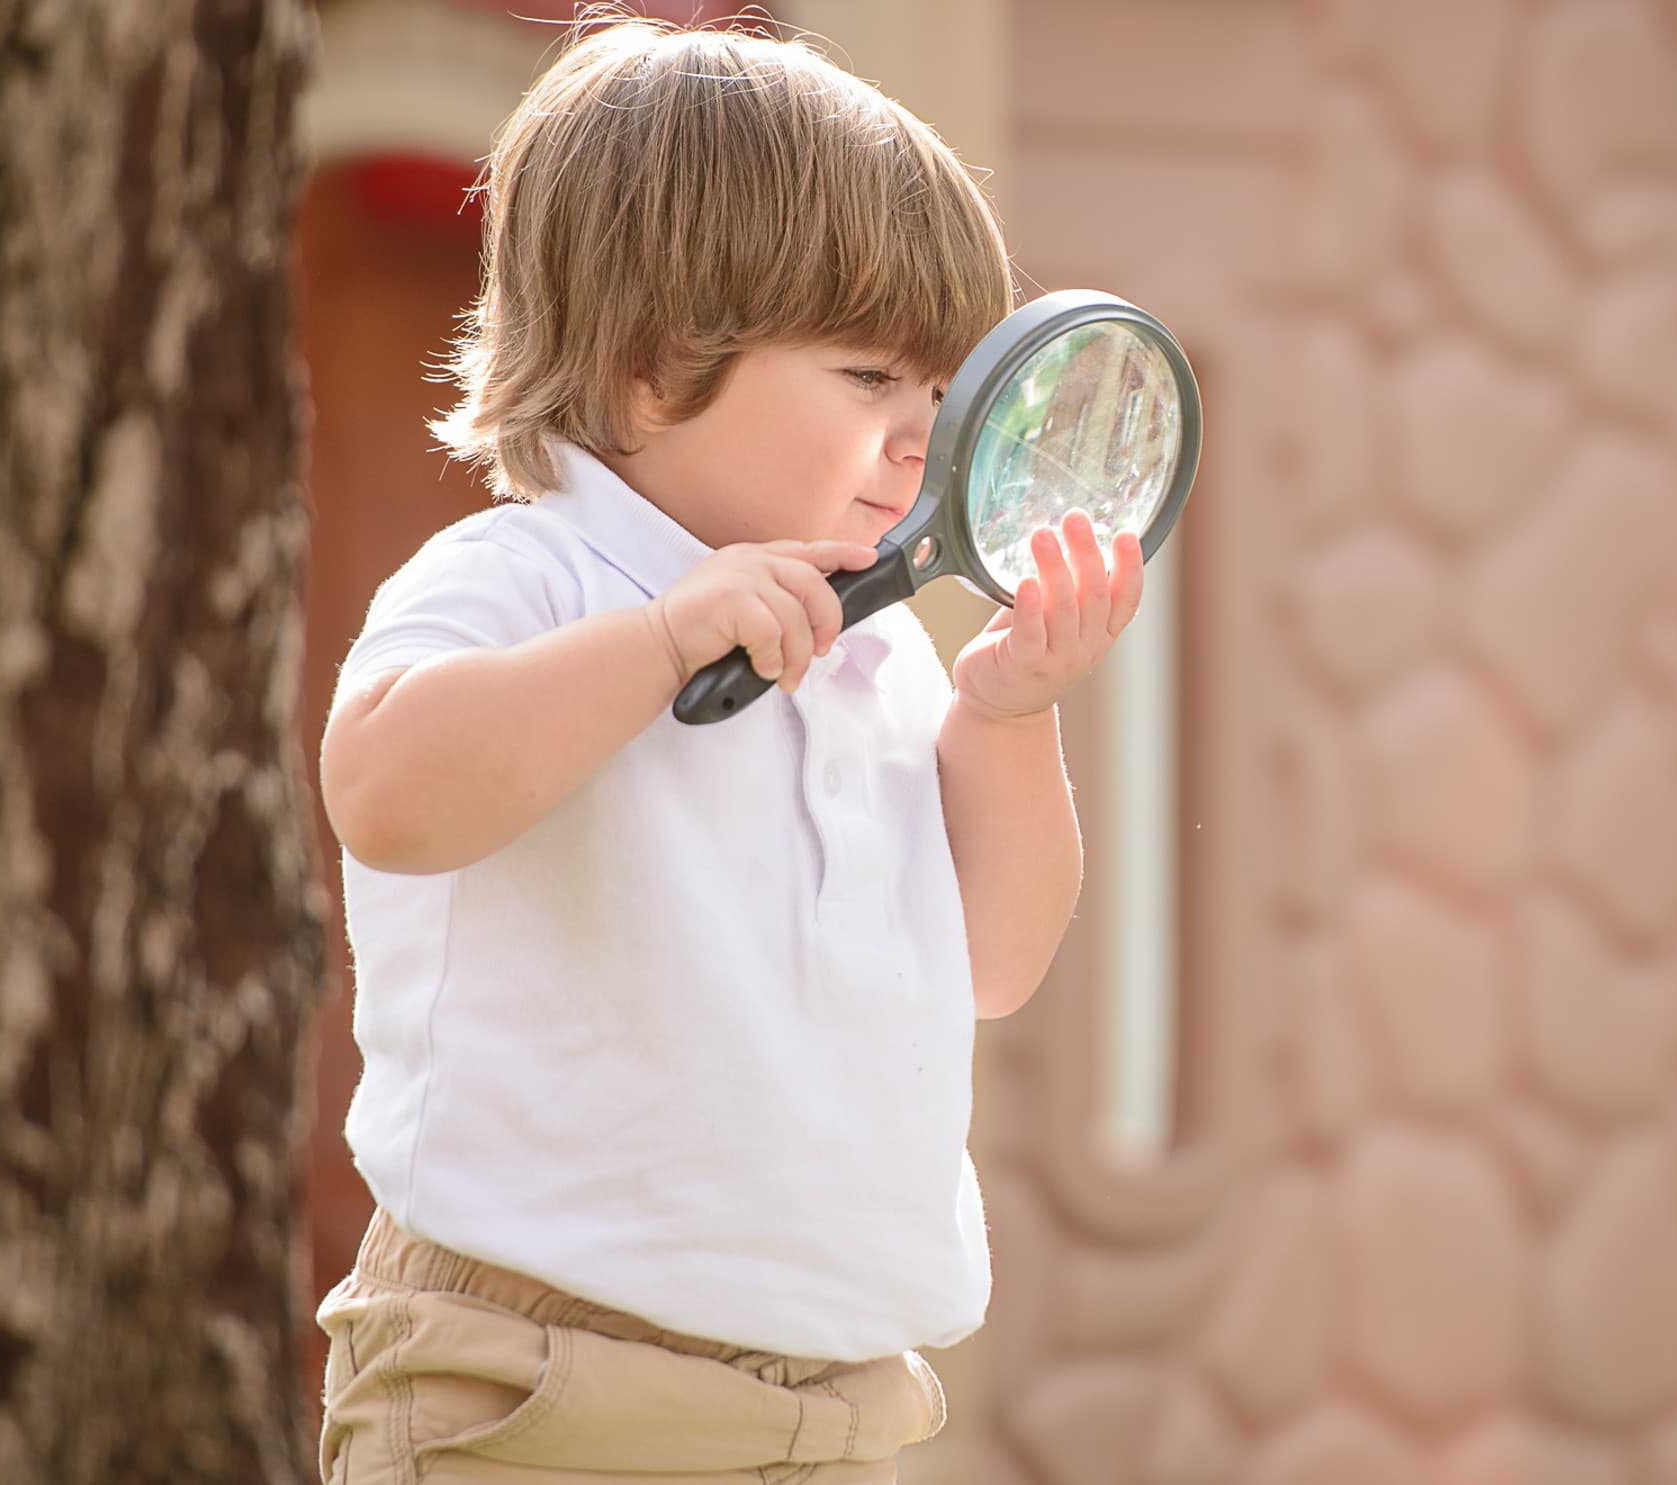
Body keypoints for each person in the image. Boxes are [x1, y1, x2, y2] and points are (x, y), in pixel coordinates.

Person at [310, 17, 1144, 1482]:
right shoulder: (530, 580)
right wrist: (656, 648)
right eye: (866, 378)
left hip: (830, 1407)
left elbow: (994, 960)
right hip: (526, 1380)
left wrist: (1009, 713)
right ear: (649, 370)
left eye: (938, 395)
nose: (919, 439)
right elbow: (385, 791)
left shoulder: (878, 650)